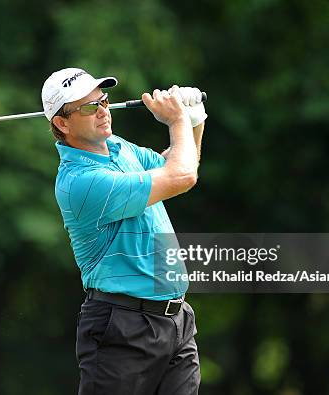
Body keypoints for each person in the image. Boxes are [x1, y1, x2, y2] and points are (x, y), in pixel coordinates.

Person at [41, 67, 207, 395]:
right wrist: (177, 122)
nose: (103, 110)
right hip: (122, 327)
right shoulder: (79, 182)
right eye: (89, 107)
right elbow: (181, 177)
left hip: (177, 321)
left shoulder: (121, 149)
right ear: (62, 123)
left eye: (103, 100)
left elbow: (177, 162)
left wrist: (194, 121)